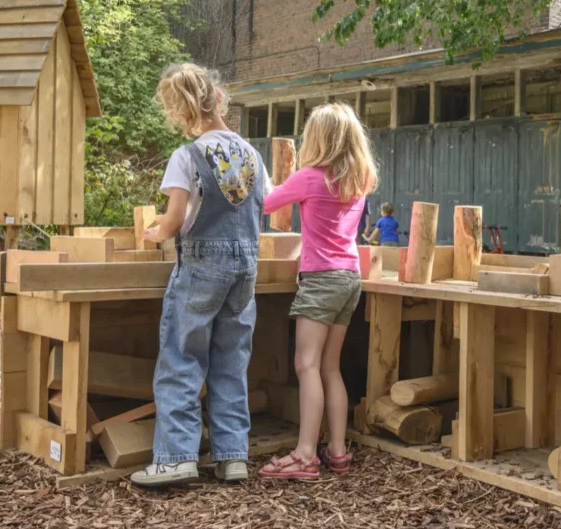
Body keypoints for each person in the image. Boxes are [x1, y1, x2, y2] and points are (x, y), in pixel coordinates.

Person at [131, 62, 267, 488]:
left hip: (202, 266)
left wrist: (153, 233)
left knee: (183, 358)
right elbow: (266, 207)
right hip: (246, 268)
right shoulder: (253, 155)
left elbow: (172, 222)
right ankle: (232, 456)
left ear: (180, 113)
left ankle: (175, 458)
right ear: (220, 99)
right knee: (231, 360)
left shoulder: (186, 156)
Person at [258, 103, 378, 480]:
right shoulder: (360, 180)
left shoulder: (310, 177)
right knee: (330, 367)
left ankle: (305, 454)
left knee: (305, 365)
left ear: (317, 139)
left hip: (321, 279)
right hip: (349, 277)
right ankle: (337, 451)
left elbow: (264, 203)